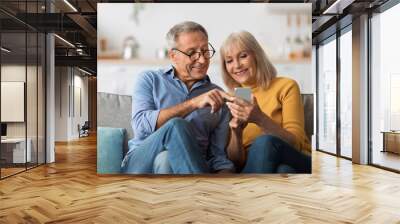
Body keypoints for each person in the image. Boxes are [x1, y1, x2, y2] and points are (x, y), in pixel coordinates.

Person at [121, 21, 234, 174]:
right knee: (176, 126)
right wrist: (194, 103)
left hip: (189, 165)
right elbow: (141, 126)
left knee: (166, 160)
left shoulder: (217, 96)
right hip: (140, 162)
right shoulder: (150, 79)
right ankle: (201, 191)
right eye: (192, 53)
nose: (201, 60)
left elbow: (218, 158)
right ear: (173, 56)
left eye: (205, 51)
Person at [219, 31, 311, 173]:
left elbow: (296, 143)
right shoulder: (235, 98)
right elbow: (236, 163)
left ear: (256, 56)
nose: (236, 65)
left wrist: (260, 119)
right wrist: (236, 133)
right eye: (229, 60)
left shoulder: (286, 86)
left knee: (264, 142)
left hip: (297, 158)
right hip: (261, 166)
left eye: (243, 56)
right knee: (283, 170)